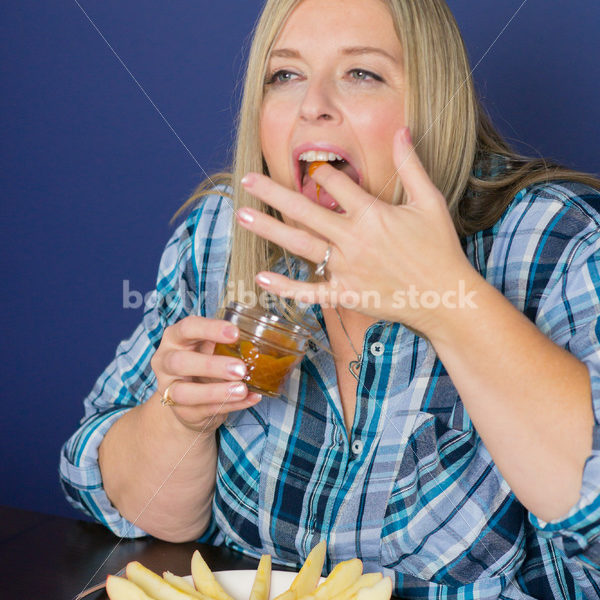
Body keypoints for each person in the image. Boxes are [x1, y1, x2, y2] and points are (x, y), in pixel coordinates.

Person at [60, 0, 600, 598]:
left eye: (361, 74)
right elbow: (123, 501)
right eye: (284, 75)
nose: (312, 104)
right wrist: (182, 420)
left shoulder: (557, 238)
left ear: (434, 103)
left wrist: (448, 303)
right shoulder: (222, 232)